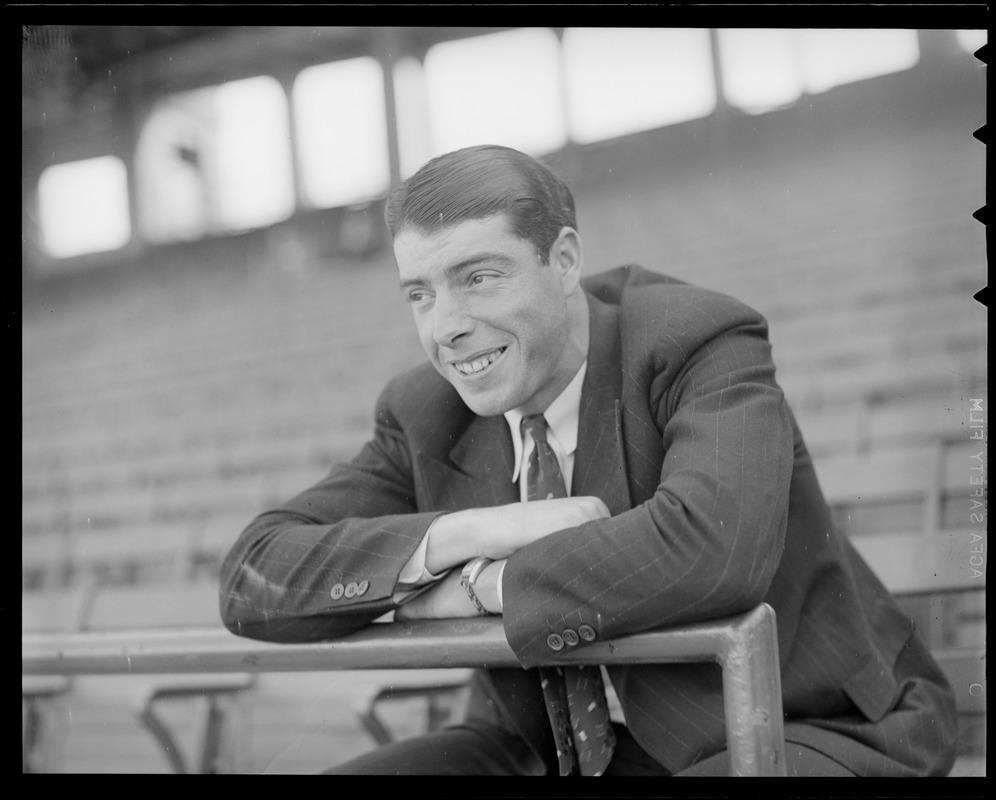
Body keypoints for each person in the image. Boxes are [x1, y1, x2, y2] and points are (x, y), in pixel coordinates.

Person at [219, 144, 957, 776]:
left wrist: (479, 593)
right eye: (420, 293)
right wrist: (462, 542)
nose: (447, 327)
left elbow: (712, 546)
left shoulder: (693, 338)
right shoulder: (424, 409)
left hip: (789, 721)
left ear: (564, 260)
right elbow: (254, 578)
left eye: (480, 277)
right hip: (546, 747)